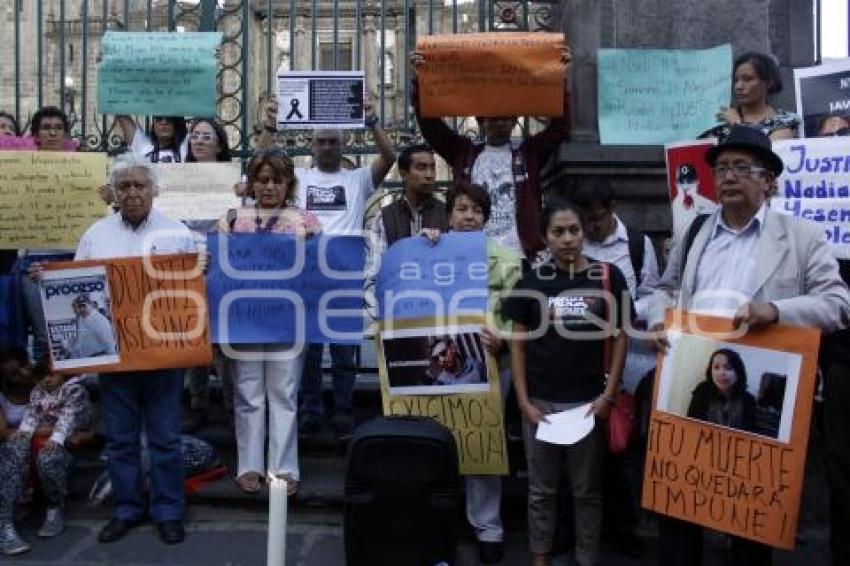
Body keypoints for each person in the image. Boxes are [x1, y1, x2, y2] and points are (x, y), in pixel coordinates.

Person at [648, 126, 850, 565]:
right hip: (693, 384)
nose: (728, 177)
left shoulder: (802, 236)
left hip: (757, 395)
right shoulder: (697, 230)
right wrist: (660, 322)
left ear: (769, 181)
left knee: (749, 514)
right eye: (721, 168)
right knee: (679, 512)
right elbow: (665, 289)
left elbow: (838, 304)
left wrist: (776, 311)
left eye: (742, 167)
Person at [65, 155, 197, 545]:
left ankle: (168, 511)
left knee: (165, 439)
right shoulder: (96, 234)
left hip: (163, 355)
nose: (133, 193)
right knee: (120, 439)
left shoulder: (178, 233)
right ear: (115, 193)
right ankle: (125, 509)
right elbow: (76, 284)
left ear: (154, 189)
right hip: (116, 356)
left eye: (140, 185)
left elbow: (190, 292)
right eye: (125, 186)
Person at [504, 199, 632, 566]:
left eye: (573, 230)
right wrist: (525, 402)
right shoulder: (530, 282)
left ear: (583, 233)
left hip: (589, 405)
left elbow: (623, 335)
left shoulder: (608, 277)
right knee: (541, 490)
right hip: (541, 404)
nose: (567, 239)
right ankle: (539, 557)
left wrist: (608, 396)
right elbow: (518, 344)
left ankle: (586, 557)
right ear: (545, 237)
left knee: (587, 491)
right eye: (558, 232)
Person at [263, 97, 395, 438]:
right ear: (311, 144)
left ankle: (343, 410)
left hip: (343, 272)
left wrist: (373, 120)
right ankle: (310, 409)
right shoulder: (299, 177)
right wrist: (270, 126)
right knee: (309, 349)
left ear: (345, 143)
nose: (326, 147)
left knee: (344, 347)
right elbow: (261, 163)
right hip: (306, 271)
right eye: (320, 141)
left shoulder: (359, 179)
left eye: (333, 141)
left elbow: (390, 158)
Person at [418, 180, 521, 563]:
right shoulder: (428, 250)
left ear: (486, 218)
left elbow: (518, 314)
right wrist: (424, 245)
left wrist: (504, 339)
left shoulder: (507, 261)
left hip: (490, 363)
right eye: (461, 209)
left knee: (481, 440)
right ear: (448, 215)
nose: (469, 216)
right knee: (439, 440)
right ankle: (436, 520)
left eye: (477, 211)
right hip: (436, 360)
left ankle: (487, 525)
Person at [217, 149, 321, 496]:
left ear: (288, 183)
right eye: (262, 180)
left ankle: (283, 467)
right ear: (251, 183)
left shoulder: (306, 221)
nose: (270, 187)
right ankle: (248, 465)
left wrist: (306, 246)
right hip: (245, 317)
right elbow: (218, 265)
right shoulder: (233, 219)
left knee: (284, 392)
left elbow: (321, 268)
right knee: (248, 391)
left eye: (277, 180)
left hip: (288, 319)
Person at [411, 47, 571, 262]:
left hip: (520, 257)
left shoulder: (528, 153)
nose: (501, 124)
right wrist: (420, 80)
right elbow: (431, 126)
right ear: (481, 121)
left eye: (507, 118)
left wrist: (559, 79)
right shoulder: (463, 152)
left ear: (515, 121)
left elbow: (560, 129)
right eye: (494, 118)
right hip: (472, 256)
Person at [572, 181, 660, 558]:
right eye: (584, 220)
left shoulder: (637, 245)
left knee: (624, 446)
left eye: (596, 218)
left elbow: (654, 293)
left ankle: (626, 526)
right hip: (582, 362)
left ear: (612, 210)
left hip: (632, 364)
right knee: (583, 450)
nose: (590, 228)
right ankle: (581, 528)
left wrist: (621, 311)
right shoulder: (572, 242)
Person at [0, 362, 92, 555]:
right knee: (14, 448)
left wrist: (57, 437)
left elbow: (69, 419)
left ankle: (54, 509)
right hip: (38, 437)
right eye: (42, 377)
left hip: (61, 439)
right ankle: (4, 523)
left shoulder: (73, 390)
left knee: (49, 456)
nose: (47, 380)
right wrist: (25, 432)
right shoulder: (37, 392)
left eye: (51, 375)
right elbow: (32, 414)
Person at [21, 107, 77, 363]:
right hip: (34, 260)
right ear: (35, 134)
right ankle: (43, 395)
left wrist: (105, 198)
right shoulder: (19, 171)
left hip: (74, 259)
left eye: (58, 127)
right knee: (44, 336)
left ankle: (71, 394)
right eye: (46, 127)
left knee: (72, 332)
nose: (52, 132)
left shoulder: (83, 168)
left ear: (65, 134)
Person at [365, 144, 448, 312]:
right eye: (421, 168)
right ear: (403, 173)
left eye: (432, 168)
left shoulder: (447, 214)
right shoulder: (385, 217)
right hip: (396, 311)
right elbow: (375, 273)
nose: (429, 175)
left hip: (439, 312)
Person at [705, 52, 799, 142]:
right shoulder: (724, 119)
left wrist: (736, 125)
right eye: (736, 80)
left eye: (748, 79)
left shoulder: (784, 122)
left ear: (769, 82)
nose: (739, 86)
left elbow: (765, 154)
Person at [687, 348, 756, 431]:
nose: (721, 372)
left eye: (728, 367)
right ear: (710, 371)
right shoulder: (702, 391)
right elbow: (690, 426)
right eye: (716, 367)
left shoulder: (748, 400)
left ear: (738, 372)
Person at [669, 163, 717, 239]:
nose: (686, 187)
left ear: (697, 182)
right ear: (676, 185)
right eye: (681, 182)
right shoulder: (673, 207)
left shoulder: (710, 206)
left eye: (689, 182)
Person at [116, 115, 188, 163]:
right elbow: (120, 112)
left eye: (170, 119)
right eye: (159, 119)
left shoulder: (186, 146)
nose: (164, 123)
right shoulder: (143, 146)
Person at [64, 295, 117, 360]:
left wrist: (112, 359)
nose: (81, 309)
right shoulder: (81, 319)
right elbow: (80, 341)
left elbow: (108, 342)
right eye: (79, 306)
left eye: (84, 306)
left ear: (91, 305)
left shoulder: (99, 320)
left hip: (100, 356)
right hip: (86, 358)